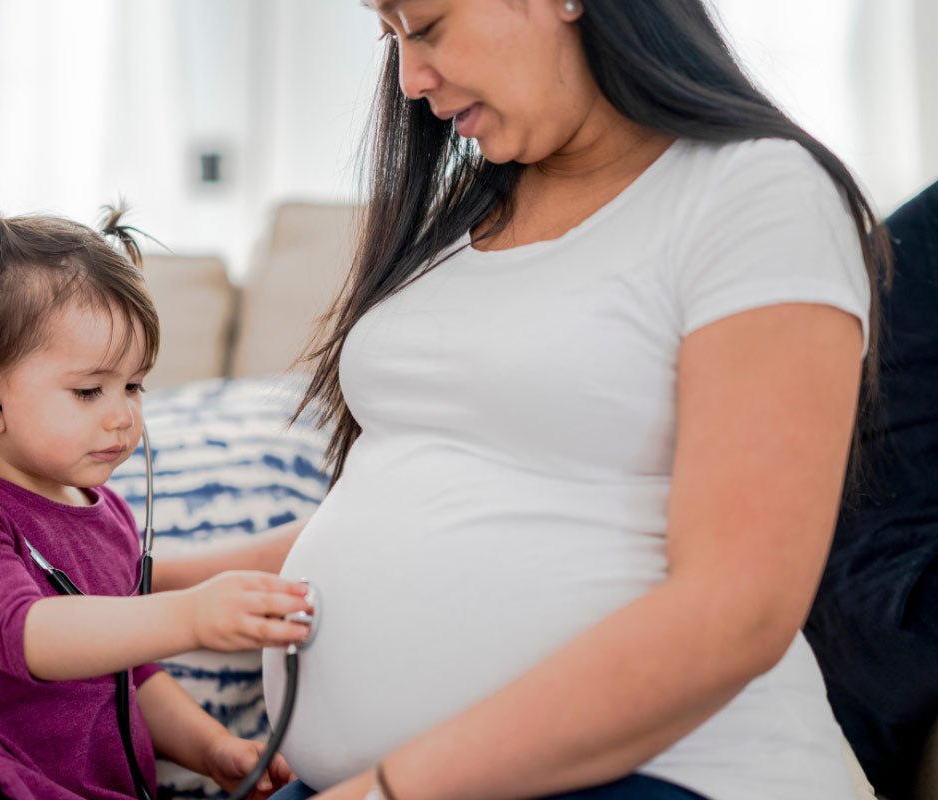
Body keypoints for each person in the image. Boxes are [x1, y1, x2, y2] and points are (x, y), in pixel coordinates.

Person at [251, 0, 894, 798]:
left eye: (424, 26)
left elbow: (738, 608)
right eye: (390, 41)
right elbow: (418, 505)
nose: (410, 80)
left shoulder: (757, 192)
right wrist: (127, 582)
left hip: (662, 775)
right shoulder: (464, 217)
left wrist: (387, 789)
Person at [0, 188, 313, 800]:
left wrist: (213, 749)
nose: (124, 416)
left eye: (134, 386)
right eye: (90, 391)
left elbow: (131, 675)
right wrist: (191, 614)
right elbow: (26, 633)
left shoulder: (110, 516)